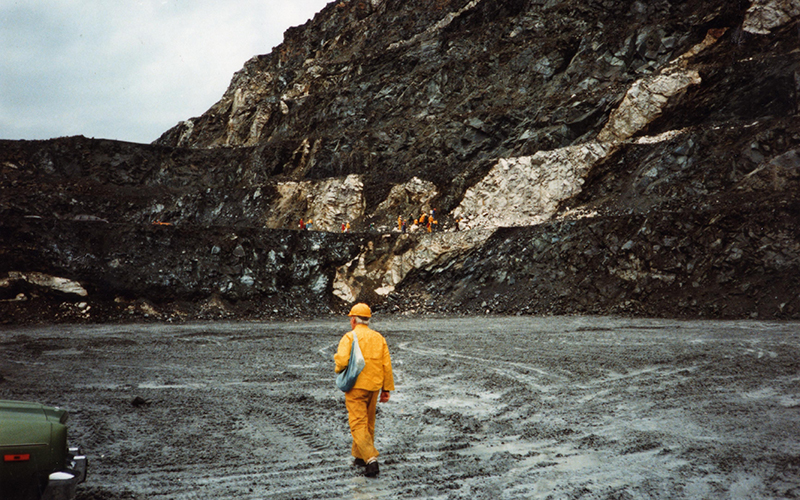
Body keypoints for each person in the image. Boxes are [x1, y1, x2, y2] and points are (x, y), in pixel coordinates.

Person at [334, 303, 394, 477]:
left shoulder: (349, 337)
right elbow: (386, 365)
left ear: (353, 320)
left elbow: (342, 362)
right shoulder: (379, 338)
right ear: (367, 320)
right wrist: (386, 389)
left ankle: (370, 459)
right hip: (374, 387)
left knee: (357, 423)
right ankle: (359, 456)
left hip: (356, 387)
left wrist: (339, 370)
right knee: (368, 422)